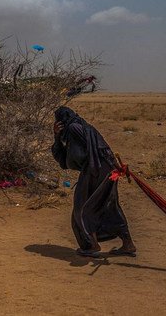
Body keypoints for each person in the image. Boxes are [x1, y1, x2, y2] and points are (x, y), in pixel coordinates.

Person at [51, 106, 137, 258]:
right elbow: (102, 147)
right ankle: (127, 243)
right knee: (108, 205)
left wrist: (57, 136)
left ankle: (91, 244)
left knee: (82, 206)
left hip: (96, 169)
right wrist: (115, 165)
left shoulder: (73, 128)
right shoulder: (81, 126)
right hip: (105, 169)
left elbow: (94, 149)